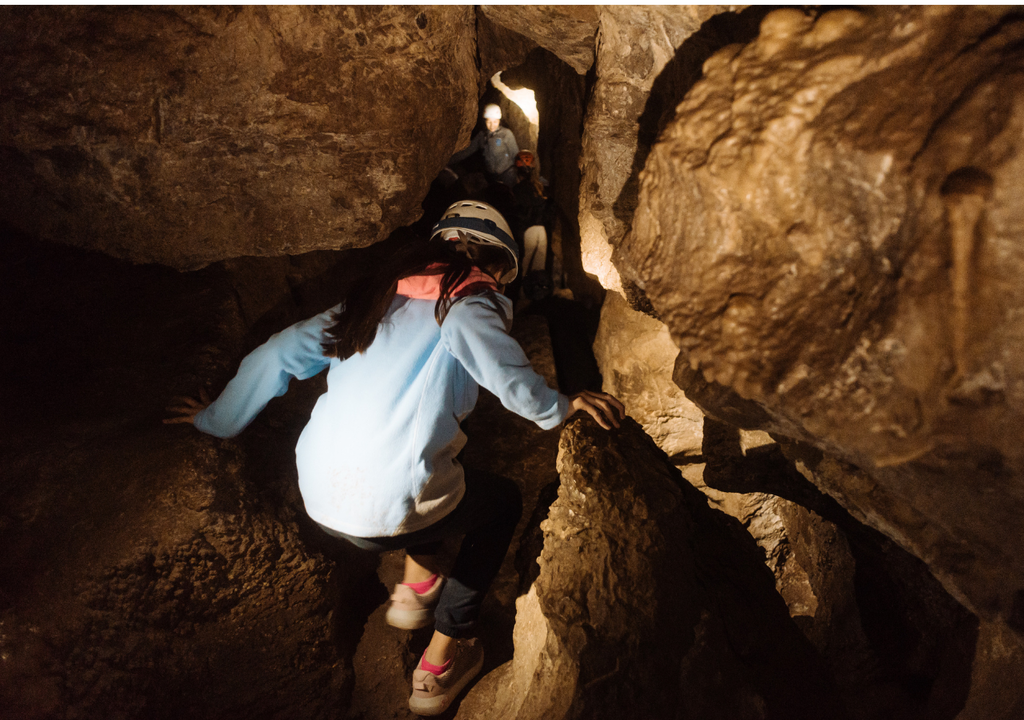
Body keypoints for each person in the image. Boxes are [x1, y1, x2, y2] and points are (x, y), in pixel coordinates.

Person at [165, 200, 624, 716]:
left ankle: (416, 589)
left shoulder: (374, 297)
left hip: (318, 493)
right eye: (501, 274)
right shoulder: (469, 301)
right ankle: (440, 662)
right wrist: (561, 407)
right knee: (500, 504)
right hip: (389, 506)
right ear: (493, 261)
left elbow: (276, 353)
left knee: (444, 459)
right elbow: (504, 374)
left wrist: (216, 420)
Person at [511, 150, 552, 302]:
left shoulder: (518, 190)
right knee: (538, 271)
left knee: (524, 268)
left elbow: (518, 213)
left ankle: (522, 301)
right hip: (542, 231)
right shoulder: (539, 186)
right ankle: (538, 302)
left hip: (528, 231)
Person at [449, 104, 520, 188]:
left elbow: (516, 155)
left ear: (499, 121)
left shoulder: (506, 134)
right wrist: (448, 161)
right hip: (491, 176)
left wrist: (519, 174)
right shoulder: (482, 136)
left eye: (495, 121)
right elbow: (467, 151)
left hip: (507, 174)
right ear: (485, 121)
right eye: (489, 122)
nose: (492, 125)